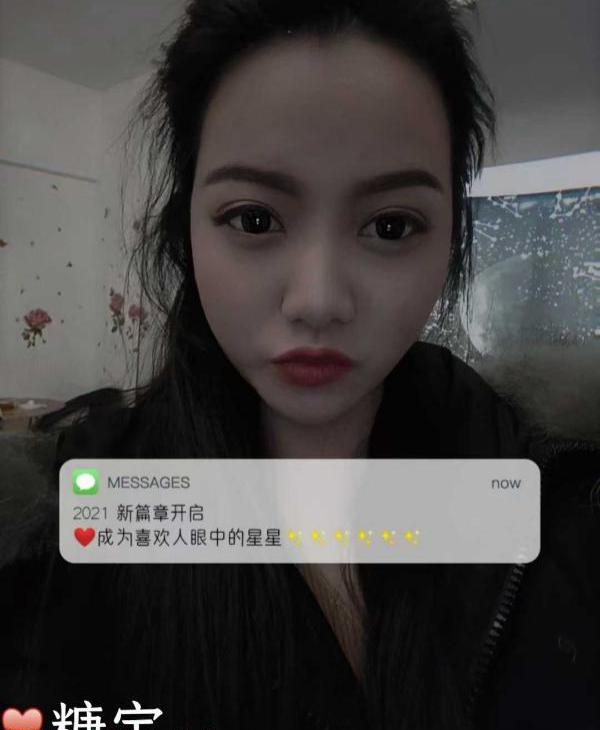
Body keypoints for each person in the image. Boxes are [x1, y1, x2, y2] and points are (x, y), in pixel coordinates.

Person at [0, 0, 598, 728]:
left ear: (451, 241)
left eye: (390, 226)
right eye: (254, 219)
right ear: (185, 232)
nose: (318, 301)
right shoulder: (71, 525)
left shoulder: (559, 501)